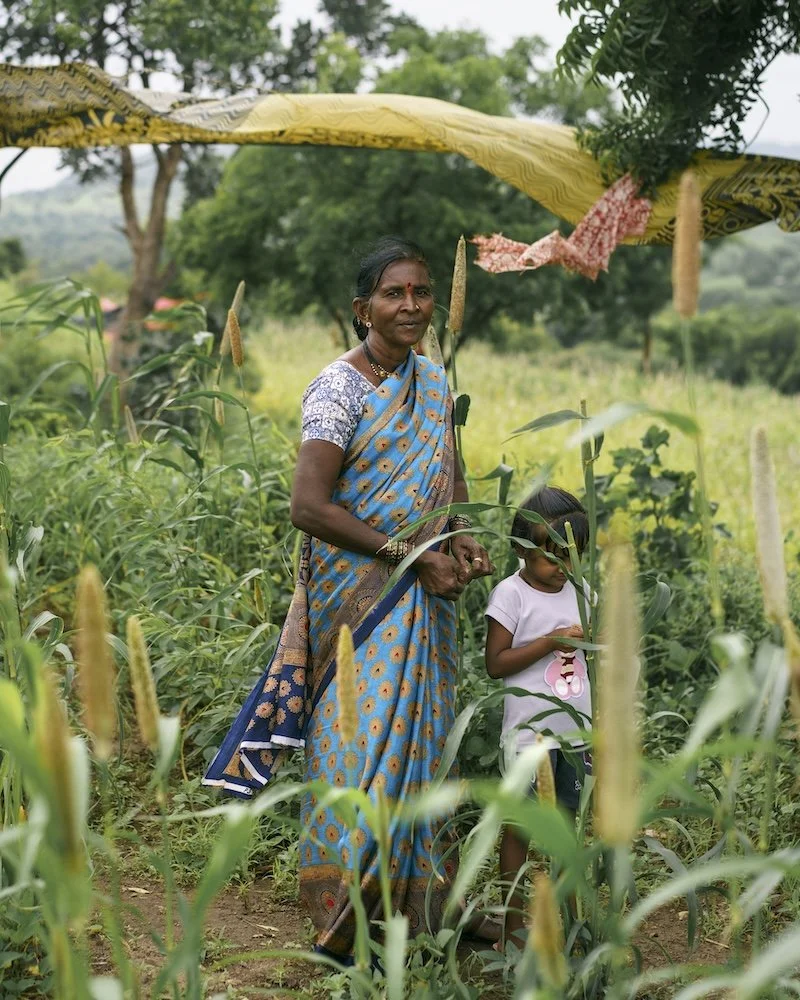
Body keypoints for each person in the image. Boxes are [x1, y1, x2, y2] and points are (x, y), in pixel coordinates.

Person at [203, 237, 493, 961]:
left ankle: (421, 907)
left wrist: (456, 540)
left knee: (421, 748)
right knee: (362, 744)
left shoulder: (431, 382)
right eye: (394, 294)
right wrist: (412, 558)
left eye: (421, 292)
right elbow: (309, 505)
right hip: (357, 607)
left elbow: (447, 481)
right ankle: (345, 917)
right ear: (362, 309)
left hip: (423, 600)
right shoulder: (339, 388)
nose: (411, 306)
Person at [484, 486, 593, 948]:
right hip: (529, 739)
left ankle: (576, 923)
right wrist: (550, 642)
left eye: (572, 557)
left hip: (576, 736)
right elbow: (496, 663)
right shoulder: (511, 596)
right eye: (552, 557)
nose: (563, 569)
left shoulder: (582, 590)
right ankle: (512, 926)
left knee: (569, 824)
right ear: (521, 550)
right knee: (520, 829)